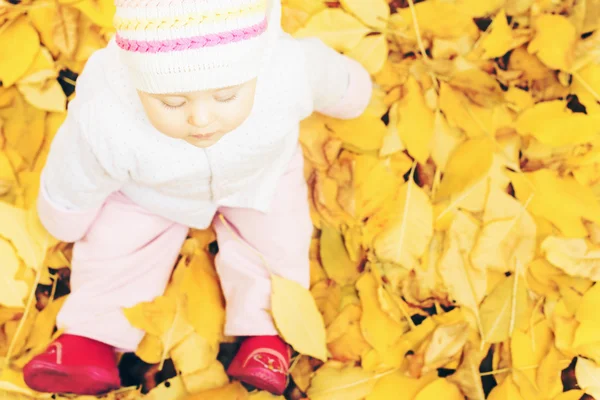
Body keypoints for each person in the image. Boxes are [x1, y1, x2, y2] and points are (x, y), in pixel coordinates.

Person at [22, 0, 372, 395]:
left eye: (226, 97)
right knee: (114, 246)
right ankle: (90, 338)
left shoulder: (285, 67)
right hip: (150, 192)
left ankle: (267, 332)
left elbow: (329, 76)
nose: (201, 119)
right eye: (172, 102)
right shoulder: (108, 105)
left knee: (277, 241)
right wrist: (66, 208)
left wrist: (353, 91)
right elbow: (79, 159)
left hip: (258, 177)